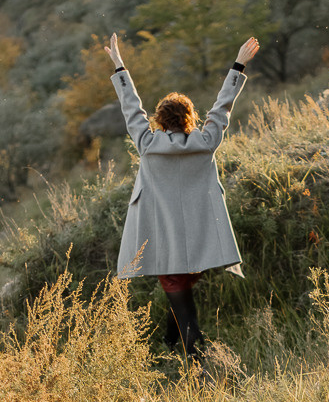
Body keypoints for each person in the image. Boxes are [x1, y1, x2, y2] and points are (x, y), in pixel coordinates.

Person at [104, 31, 259, 360]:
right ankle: (170, 343)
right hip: (200, 248)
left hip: (165, 247)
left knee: (185, 307)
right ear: (190, 120)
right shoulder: (205, 144)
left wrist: (120, 66)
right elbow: (222, 107)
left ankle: (199, 369)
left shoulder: (147, 145)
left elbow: (131, 107)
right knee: (181, 295)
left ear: (158, 121)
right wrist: (239, 65)